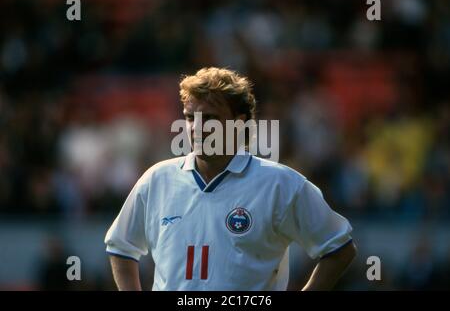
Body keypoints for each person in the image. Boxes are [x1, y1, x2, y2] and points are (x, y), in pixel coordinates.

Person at [104, 67, 357, 291]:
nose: (196, 127)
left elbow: (339, 249)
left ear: (239, 122)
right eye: (190, 116)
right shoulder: (157, 179)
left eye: (210, 118)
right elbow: (121, 247)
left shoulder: (281, 184)